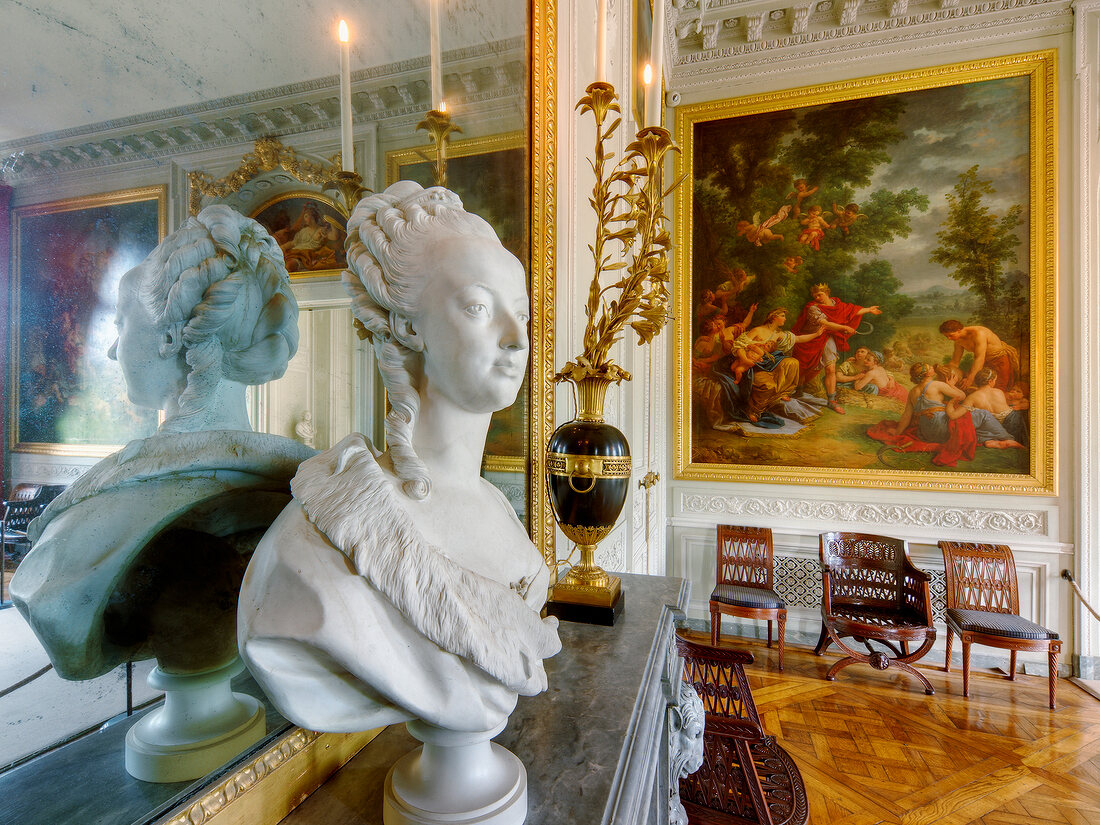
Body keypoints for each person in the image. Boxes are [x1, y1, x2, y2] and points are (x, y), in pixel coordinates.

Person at [239, 181, 561, 735]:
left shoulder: (499, 511)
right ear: (410, 326)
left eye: (523, 315)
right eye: (478, 307)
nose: (515, 339)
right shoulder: (313, 547)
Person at [13, 205, 311, 683]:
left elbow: (58, 617)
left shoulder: (86, 530)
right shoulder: (303, 486)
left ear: (171, 335)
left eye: (119, 324)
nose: (112, 350)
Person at [791, 282, 882, 414]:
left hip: (828, 338)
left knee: (831, 368)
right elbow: (825, 324)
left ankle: (832, 401)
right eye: (815, 296)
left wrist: (869, 309)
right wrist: (844, 328)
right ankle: (799, 390)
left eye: (820, 295)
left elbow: (852, 310)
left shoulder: (836, 305)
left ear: (827, 293)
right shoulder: (813, 308)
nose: (817, 298)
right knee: (804, 366)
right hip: (809, 339)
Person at [939, 319, 1023, 392]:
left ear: (958, 330)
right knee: (980, 388)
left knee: (999, 389)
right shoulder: (958, 341)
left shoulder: (979, 333)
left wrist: (970, 378)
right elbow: (955, 362)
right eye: (947, 336)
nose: (949, 338)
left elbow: (979, 358)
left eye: (951, 335)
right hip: (984, 363)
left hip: (999, 361)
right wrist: (945, 371)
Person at [964, 367, 1029, 444]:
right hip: (1009, 421)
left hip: (991, 425)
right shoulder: (998, 392)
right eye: (995, 380)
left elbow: (964, 412)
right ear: (990, 381)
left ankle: (994, 441)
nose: (995, 382)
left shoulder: (972, 397)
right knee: (1017, 414)